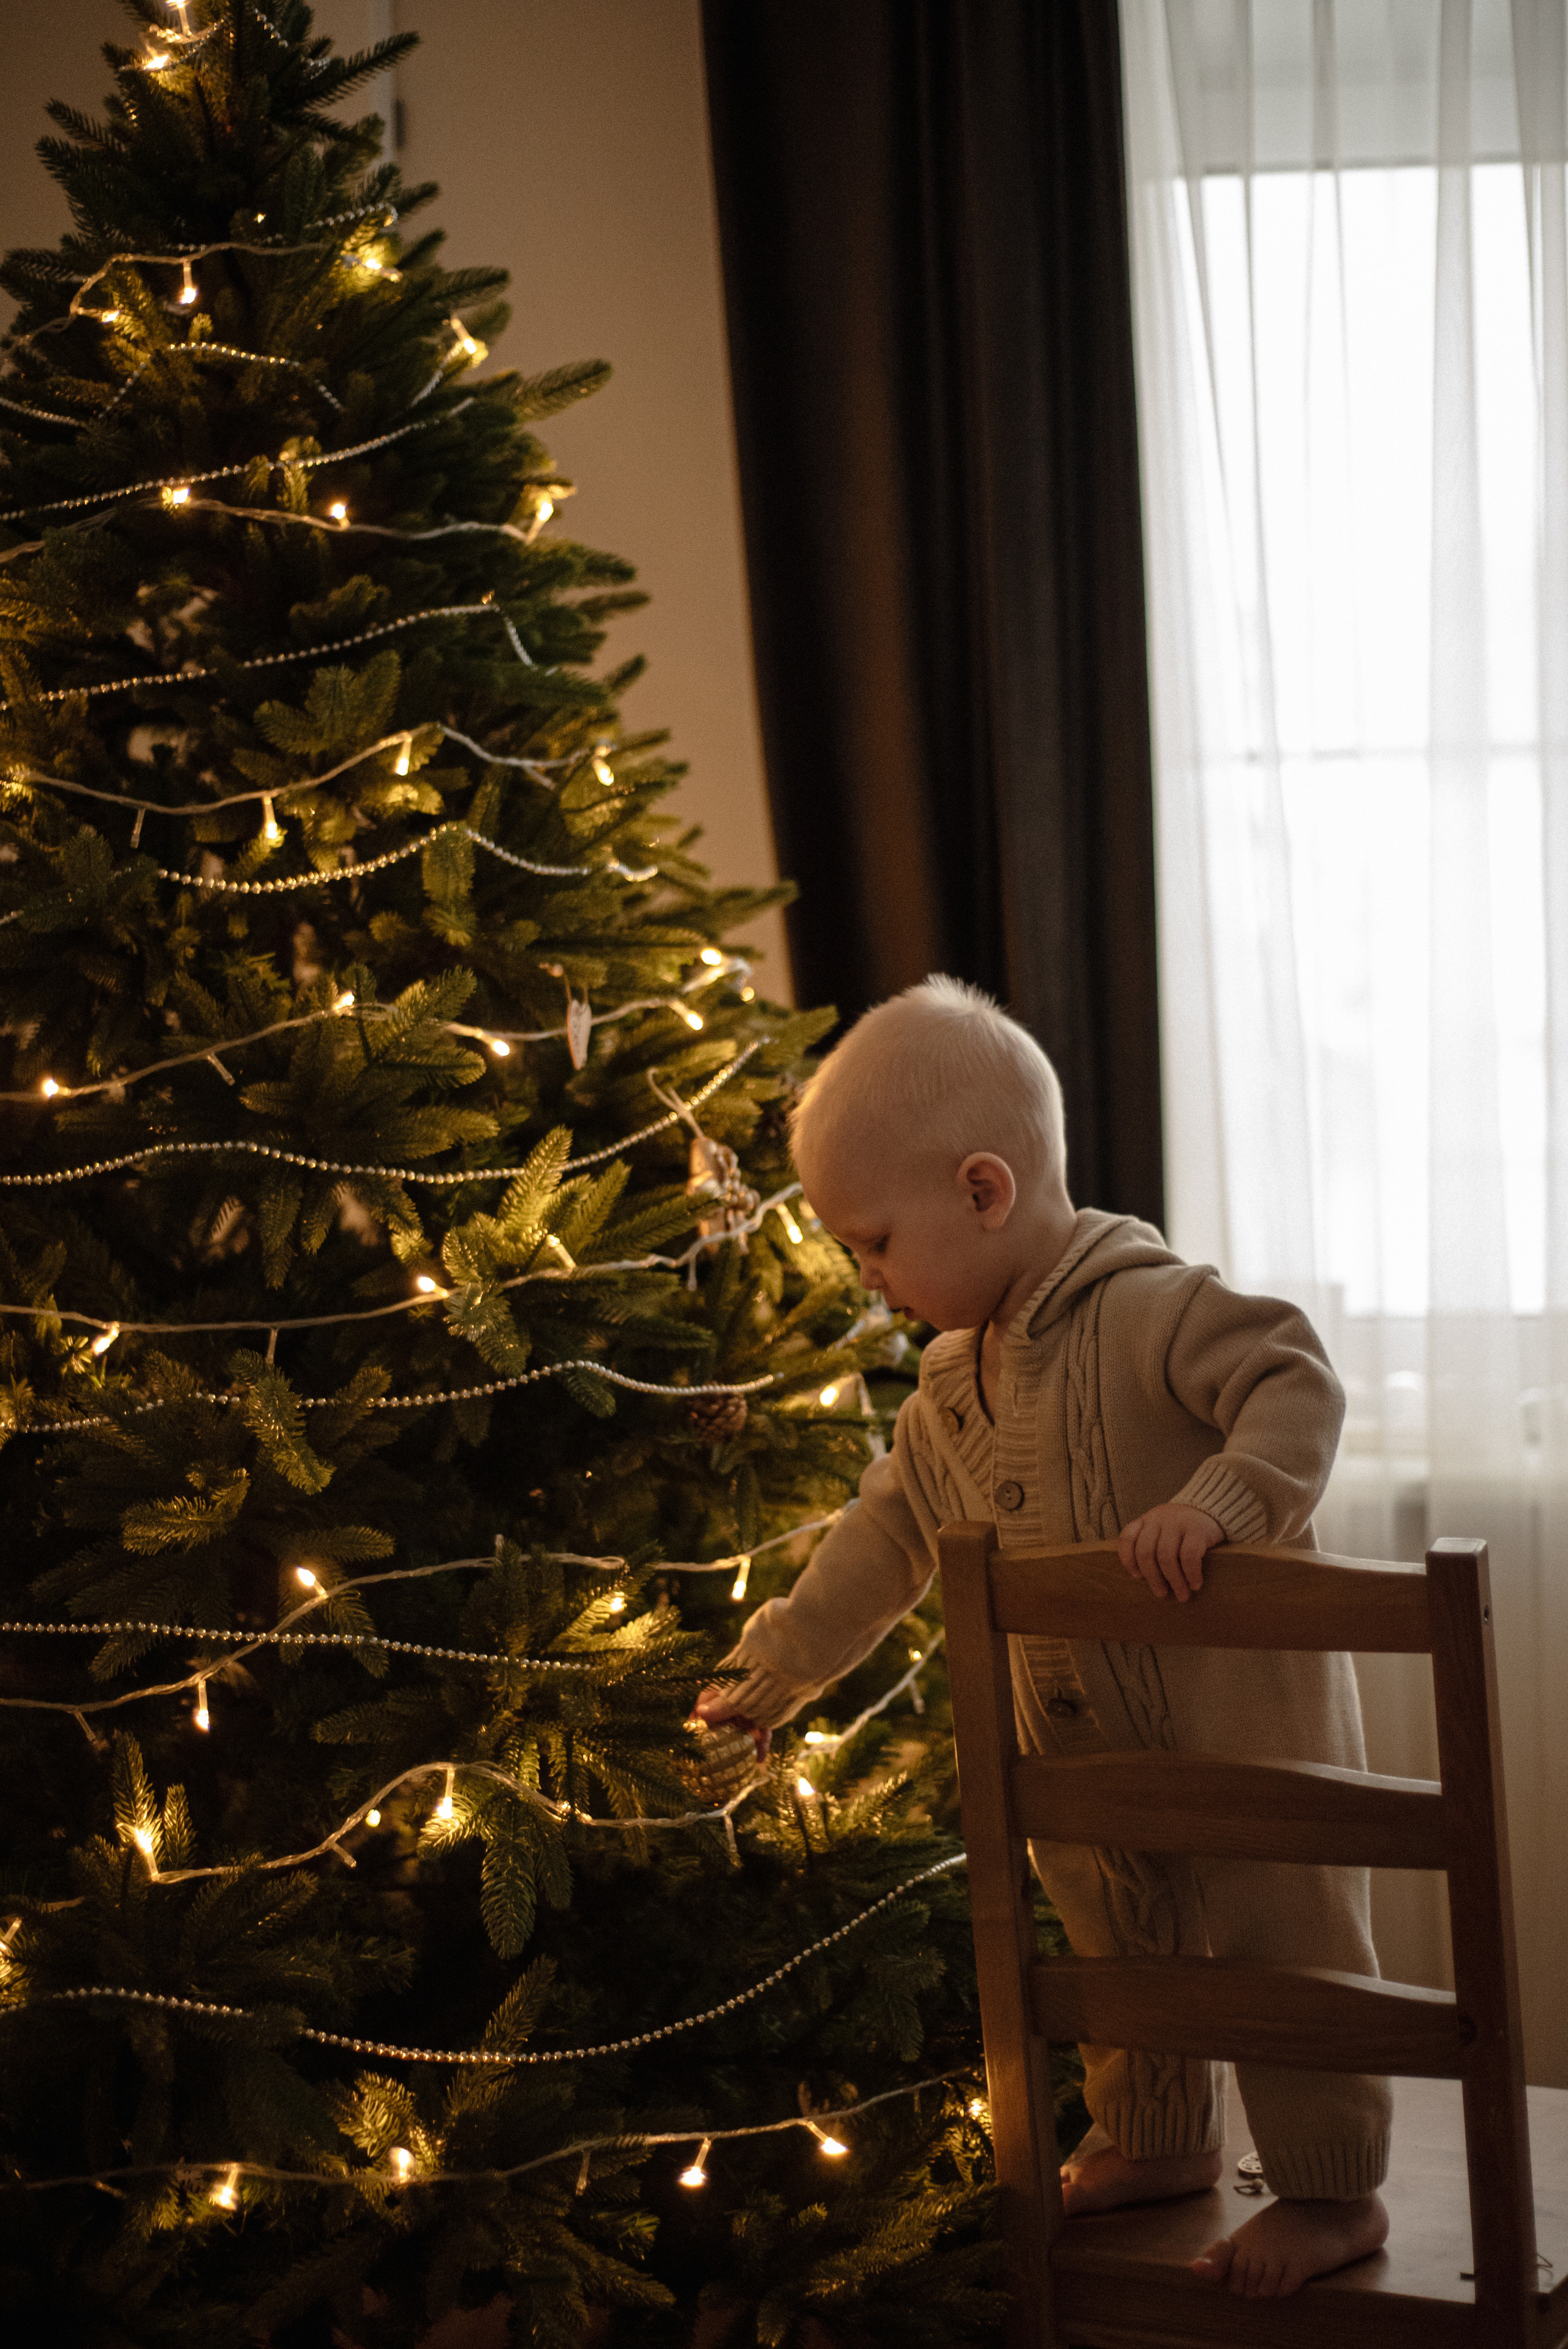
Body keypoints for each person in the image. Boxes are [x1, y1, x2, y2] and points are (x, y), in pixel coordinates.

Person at [695, 975, 1390, 2301]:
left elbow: (1291, 1377)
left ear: (981, 1190)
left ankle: (1326, 2193)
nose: (867, 1276)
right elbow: (880, 1546)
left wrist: (1218, 1500)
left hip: (1244, 1756)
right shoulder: (944, 1392)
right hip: (1076, 1766)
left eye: (873, 1241)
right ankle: (1158, 2142)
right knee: (1114, 1949)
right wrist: (774, 1669)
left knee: (1275, 1953)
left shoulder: (1149, 1308)